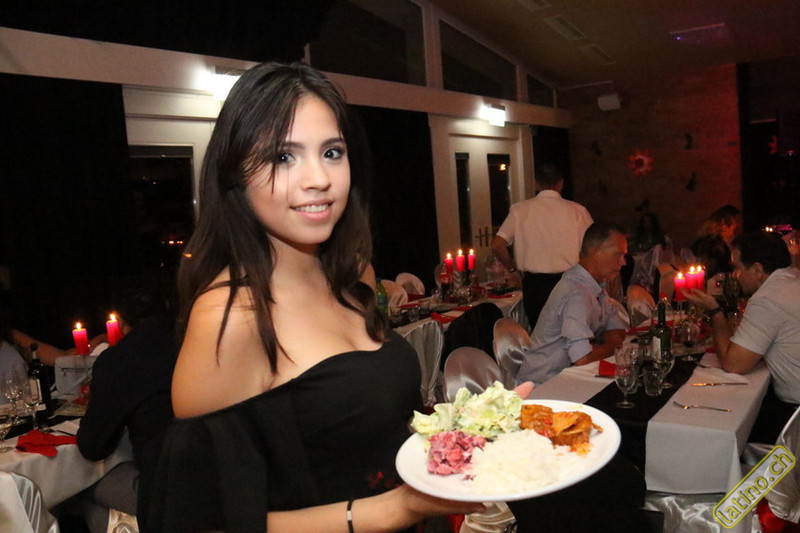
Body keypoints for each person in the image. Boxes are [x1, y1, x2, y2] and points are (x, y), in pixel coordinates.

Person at [146, 62, 494, 533]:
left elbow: (365, 429)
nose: (318, 178)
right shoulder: (233, 315)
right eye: (283, 157)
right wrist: (395, 509)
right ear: (235, 175)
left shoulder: (353, 276)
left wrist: (471, 431)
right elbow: (199, 522)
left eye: (332, 152)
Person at [77, 282, 177, 533]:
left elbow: (93, 446)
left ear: (120, 320)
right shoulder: (193, 339)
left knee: (78, 487)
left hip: (169, 489)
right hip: (225, 475)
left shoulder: (120, 359)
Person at [684, 231, 800, 443]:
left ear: (757, 270)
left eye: (737, 268)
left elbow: (733, 364)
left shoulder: (768, 299)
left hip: (794, 417)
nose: (735, 275)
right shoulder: (792, 279)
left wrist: (714, 311)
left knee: (722, 429)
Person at [516, 223, 629, 385]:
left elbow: (617, 330)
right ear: (596, 252)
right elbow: (582, 358)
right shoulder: (576, 292)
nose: (623, 262)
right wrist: (613, 347)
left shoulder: (595, 286)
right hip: (544, 385)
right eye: (618, 254)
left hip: (567, 378)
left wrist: (609, 344)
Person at [491, 164, 593, 330]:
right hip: (570, 282)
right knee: (572, 332)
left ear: (536, 184)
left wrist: (513, 270)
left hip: (535, 285)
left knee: (541, 336)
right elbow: (593, 248)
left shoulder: (520, 210)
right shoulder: (578, 211)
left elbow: (497, 245)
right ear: (561, 183)